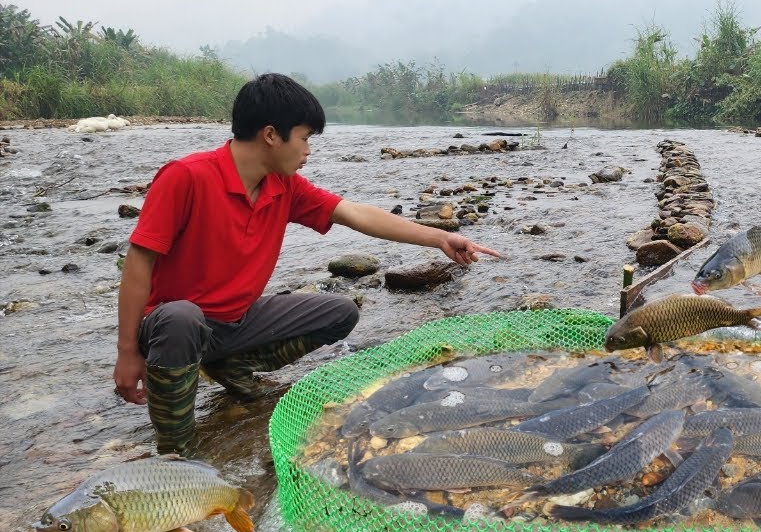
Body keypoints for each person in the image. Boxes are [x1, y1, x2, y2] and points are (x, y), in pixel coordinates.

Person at [112, 73, 500, 457]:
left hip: (236, 323)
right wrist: (128, 352)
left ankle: (229, 367)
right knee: (182, 317)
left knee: (338, 312)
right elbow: (138, 263)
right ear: (270, 135)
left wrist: (439, 238)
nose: (307, 150)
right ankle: (176, 450)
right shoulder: (187, 177)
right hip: (173, 329)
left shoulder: (284, 186)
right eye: (304, 138)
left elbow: (357, 214)